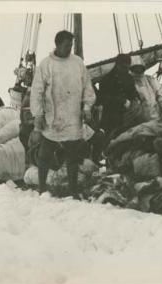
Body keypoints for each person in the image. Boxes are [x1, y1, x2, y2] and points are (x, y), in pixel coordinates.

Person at [29, 30, 96, 198]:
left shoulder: (78, 63)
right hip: (53, 117)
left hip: (72, 116)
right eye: (67, 45)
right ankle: (42, 188)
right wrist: (38, 115)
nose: (69, 49)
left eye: (71, 46)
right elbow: (36, 92)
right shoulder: (46, 65)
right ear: (57, 44)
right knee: (45, 155)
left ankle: (73, 190)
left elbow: (87, 86)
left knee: (72, 156)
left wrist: (87, 107)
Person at [97, 53, 138, 136]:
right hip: (111, 118)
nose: (126, 70)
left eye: (128, 68)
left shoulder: (129, 78)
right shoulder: (106, 80)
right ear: (117, 65)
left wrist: (134, 102)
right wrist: (121, 101)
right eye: (124, 67)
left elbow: (133, 94)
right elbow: (102, 99)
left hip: (128, 116)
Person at [129, 55, 162, 121]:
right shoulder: (127, 83)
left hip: (155, 120)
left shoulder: (150, 80)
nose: (138, 70)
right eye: (135, 68)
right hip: (137, 122)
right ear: (131, 68)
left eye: (140, 68)